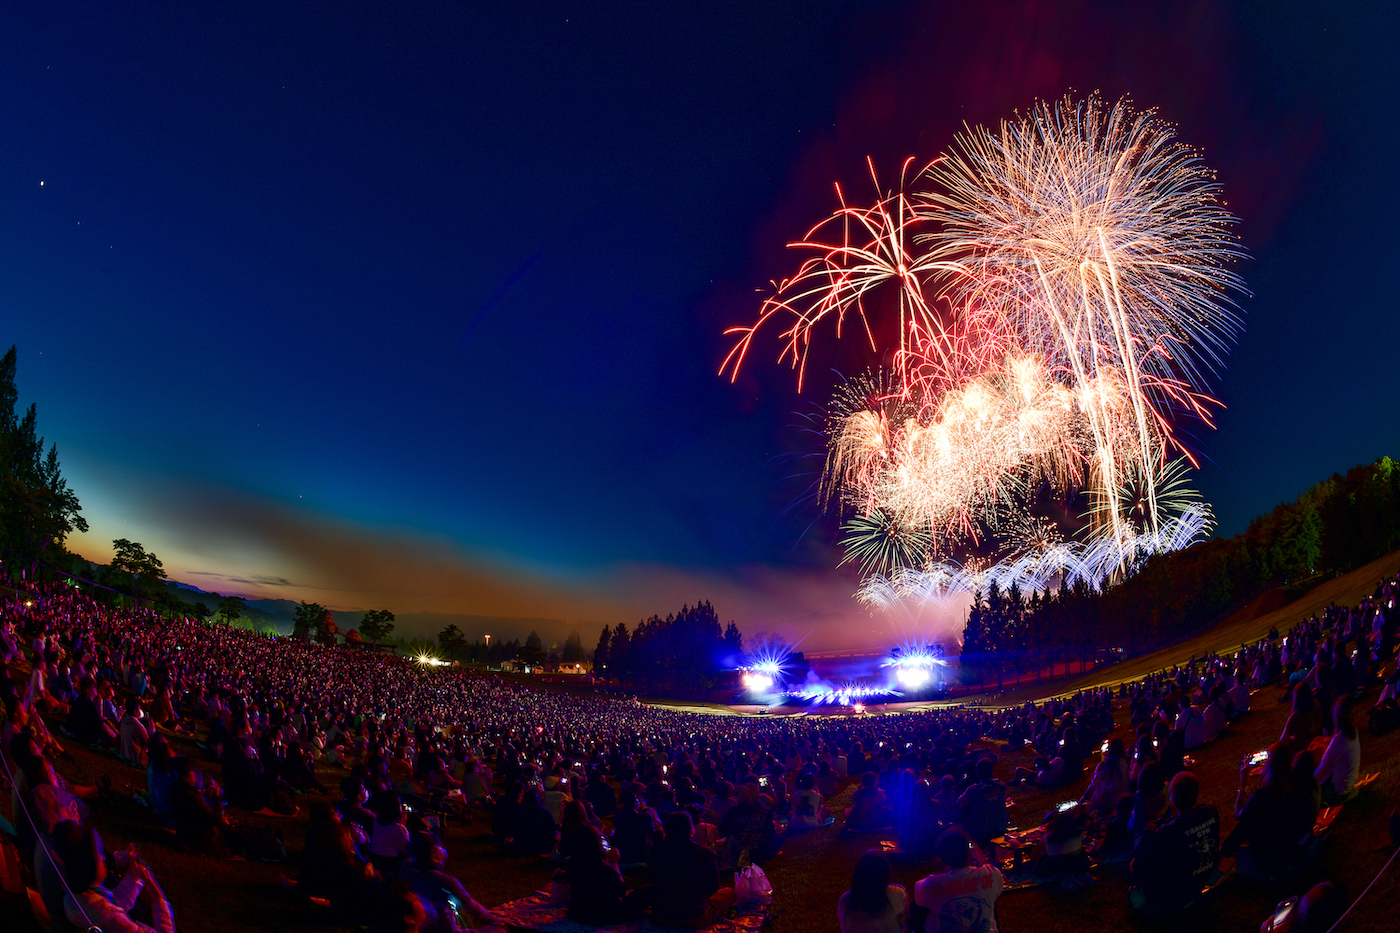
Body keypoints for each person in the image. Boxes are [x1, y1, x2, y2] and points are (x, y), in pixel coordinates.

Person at [53, 820, 177, 933]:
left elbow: (116, 903)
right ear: (88, 868)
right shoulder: (111, 919)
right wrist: (157, 895)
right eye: (99, 858)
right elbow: (114, 913)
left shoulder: (78, 894)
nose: (104, 858)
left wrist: (133, 878)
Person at [1129, 772, 1220, 913]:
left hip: (1175, 895)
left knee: (1135, 873)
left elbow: (1139, 859)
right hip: (1203, 877)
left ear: (1172, 800)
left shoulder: (1167, 832)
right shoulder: (1210, 813)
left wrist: (1147, 834)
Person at [1222, 743, 1313, 879]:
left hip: (1273, 861)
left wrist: (1243, 784)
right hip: (1297, 849)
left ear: (1270, 764)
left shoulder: (1262, 797)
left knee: (1248, 829)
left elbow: (1239, 817)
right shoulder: (1298, 784)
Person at [649, 811, 736, 928]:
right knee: (730, 892)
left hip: (661, 916)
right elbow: (713, 887)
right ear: (691, 830)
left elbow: (653, 881)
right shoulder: (704, 853)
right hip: (695, 916)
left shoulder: (657, 853)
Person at [912, 829, 1003, 933]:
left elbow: (918, 900)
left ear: (941, 858)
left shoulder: (929, 885)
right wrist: (980, 857)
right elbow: (997, 886)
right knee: (989, 894)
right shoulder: (990, 874)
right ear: (969, 851)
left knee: (918, 907)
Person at [838, 849, 908, 933]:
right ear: (886, 874)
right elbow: (907, 922)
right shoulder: (898, 895)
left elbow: (844, 928)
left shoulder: (846, 900)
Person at [1314, 695, 1361, 806]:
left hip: (1338, 792)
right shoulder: (1353, 731)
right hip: (1349, 784)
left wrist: (1307, 783)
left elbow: (1322, 770)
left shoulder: (1339, 740)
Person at [957, 759, 1007, 847]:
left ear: (978, 773)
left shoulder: (973, 790)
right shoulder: (1000, 785)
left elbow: (959, 803)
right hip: (1001, 827)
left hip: (981, 831)